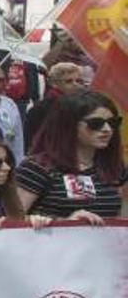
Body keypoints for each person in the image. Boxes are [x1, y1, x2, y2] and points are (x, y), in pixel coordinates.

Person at [16, 91, 126, 224]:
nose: (107, 129)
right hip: (53, 242)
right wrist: (66, 223)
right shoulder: (36, 167)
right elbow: (12, 220)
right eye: (96, 123)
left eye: (113, 122)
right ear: (69, 125)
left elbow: (119, 219)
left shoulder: (115, 168)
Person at [24, 61, 90, 147]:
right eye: (69, 81)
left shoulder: (84, 105)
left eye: (78, 81)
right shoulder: (41, 109)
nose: (75, 85)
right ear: (54, 84)